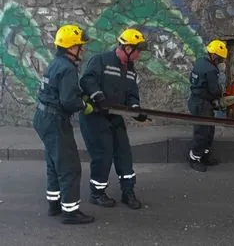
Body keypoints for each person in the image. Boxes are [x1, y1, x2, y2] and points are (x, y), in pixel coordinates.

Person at [79, 28, 148, 210]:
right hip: (95, 116)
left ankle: (128, 192)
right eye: (138, 50)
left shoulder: (131, 71)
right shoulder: (101, 60)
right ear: (126, 48)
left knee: (124, 153)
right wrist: (98, 96)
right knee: (103, 154)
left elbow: (132, 95)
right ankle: (97, 193)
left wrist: (136, 110)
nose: (139, 55)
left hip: (115, 116)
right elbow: (87, 81)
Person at [33, 24, 95, 224]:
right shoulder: (68, 69)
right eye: (79, 46)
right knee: (69, 166)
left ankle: (55, 204)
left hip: (43, 117)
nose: (82, 49)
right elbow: (68, 101)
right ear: (69, 47)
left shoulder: (56, 63)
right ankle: (70, 211)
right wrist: (84, 105)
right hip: (55, 120)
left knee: (53, 162)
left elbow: (58, 91)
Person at [187, 39, 230, 172]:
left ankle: (204, 155)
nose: (221, 62)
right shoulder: (211, 70)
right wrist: (222, 92)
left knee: (209, 130)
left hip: (196, 100)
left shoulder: (200, 62)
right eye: (221, 59)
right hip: (202, 104)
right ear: (215, 56)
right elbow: (214, 90)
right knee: (203, 132)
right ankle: (194, 158)